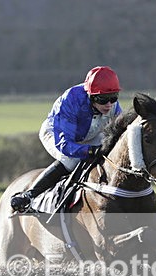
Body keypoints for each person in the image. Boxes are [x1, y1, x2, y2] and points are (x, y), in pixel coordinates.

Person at [10, 66, 122, 213]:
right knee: (72, 160)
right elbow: (65, 145)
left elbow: (119, 135)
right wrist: (90, 150)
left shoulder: (111, 105)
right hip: (57, 134)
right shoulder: (71, 100)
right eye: (102, 99)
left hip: (90, 133)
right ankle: (30, 195)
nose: (108, 104)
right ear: (91, 96)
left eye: (113, 98)